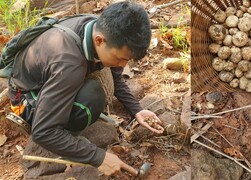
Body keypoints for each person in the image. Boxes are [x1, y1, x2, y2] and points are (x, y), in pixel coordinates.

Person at [7, 1, 164, 176]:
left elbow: (116, 76)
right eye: (120, 58)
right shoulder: (69, 64)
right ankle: (67, 135)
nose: (123, 65)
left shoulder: (98, 27)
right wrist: (98, 157)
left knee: (105, 76)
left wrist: (137, 110)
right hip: (26, 98)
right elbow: (43, 132)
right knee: (93, 97)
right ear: (99, 41)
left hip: (50, 76)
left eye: (127, 60)